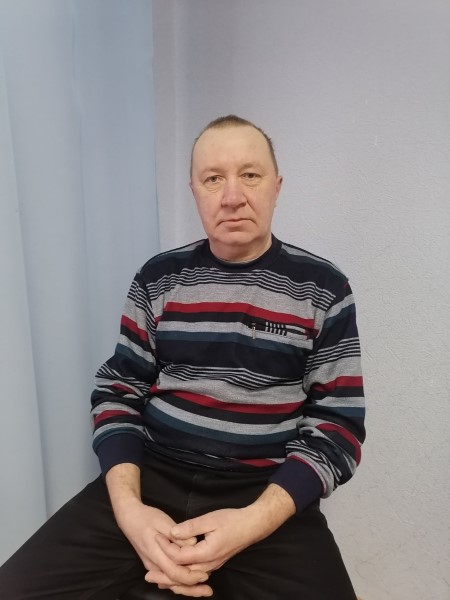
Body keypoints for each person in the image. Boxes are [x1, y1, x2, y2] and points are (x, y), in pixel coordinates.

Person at [0, 115, 365, 600]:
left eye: (250, 175)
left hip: (262, 488)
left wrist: (251, 523)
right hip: (154, 474)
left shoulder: (323, 289)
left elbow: (338, 426)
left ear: (277, 187)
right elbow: (117, 392)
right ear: (194, 191)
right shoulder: (159, 278)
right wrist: (130, 511)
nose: (232, 196)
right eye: (213, 179)